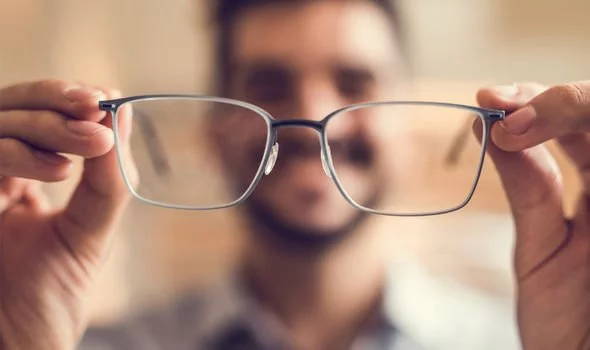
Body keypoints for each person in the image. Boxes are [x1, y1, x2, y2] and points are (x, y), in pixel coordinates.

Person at [0, 0, 589, 349]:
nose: (311, 120)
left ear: (407, 129)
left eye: (354, 84)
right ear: (212, 130)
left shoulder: (517, 341)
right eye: (269, 86)